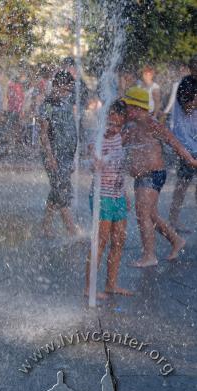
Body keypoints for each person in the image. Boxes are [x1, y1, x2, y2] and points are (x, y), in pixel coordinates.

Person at [121, 86, 197, 266]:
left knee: (142, 213)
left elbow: (174, 143)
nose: (125, 110)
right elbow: (118, 144)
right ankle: (176, 240)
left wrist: (191, 161)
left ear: (137, 108)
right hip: (141, 177)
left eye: (128, 107)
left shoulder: (152, 124)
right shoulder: (130, 127)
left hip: (153, 175)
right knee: (151, 214)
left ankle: (149, 256)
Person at [85, 100, 133, 299]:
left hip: (118, 195)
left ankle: (111, 284)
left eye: (118, 125)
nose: (113, 128)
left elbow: (120, 168)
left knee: (119, 240)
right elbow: (91, 161)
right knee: (101, 241)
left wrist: (126, 194)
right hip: (102, 197)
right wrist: (94, 160)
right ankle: (89, 287)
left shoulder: (121, 138)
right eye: (110, 123)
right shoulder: (97, 138)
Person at [39, 71, 79, 237]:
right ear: (56, 85)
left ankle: (45, 228)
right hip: (54, 155)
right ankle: (72, 231)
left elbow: (71, 129)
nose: (67, 94)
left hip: (67, 155)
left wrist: (73, 157)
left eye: (69, 90)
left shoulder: (67, 103)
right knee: (62, 191)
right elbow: (43, 133)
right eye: (65, 90)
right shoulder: (47, 104)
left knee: (56, 190)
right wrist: (50, 157)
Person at [168, 76, 197, 232]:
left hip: (193, 141)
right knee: (182, 184)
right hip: (186, 144)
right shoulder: (186, 83)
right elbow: (187, 107)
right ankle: (173, 220)